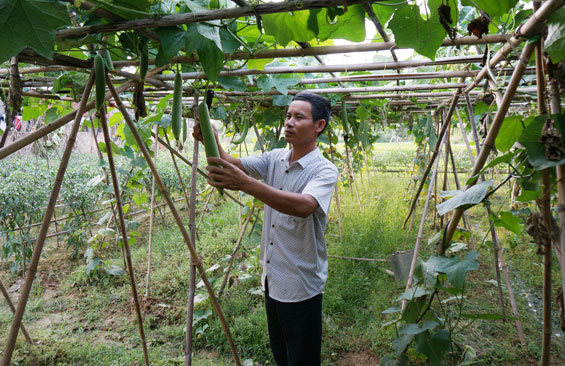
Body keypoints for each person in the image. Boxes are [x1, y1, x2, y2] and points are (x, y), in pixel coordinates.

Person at [193, 91, 338, 365]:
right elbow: (231, 166)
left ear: (319, 126)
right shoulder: (275, 158)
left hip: (301, 285)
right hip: (272, 280)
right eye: (288, 116)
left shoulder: (324, 170)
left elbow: (304, 206)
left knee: (303, 359)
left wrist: (247, 184)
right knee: (281, 353)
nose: (289, 122)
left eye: (299, 117)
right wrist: (209, 137)